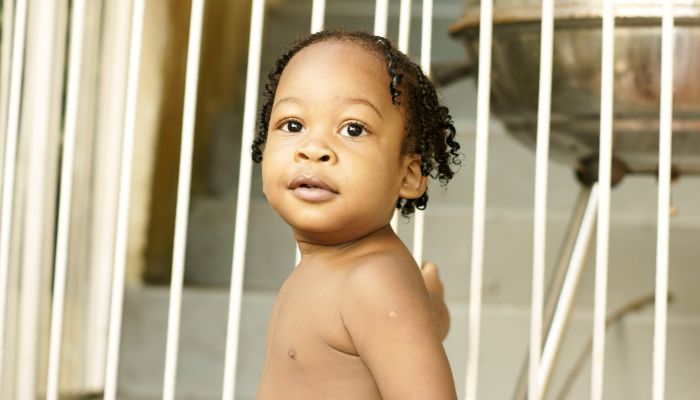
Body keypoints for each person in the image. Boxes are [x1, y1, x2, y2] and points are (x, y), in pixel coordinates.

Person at [252, 30, 461, 399]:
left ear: (409, 175)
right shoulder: (341, 272)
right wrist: (429, 306)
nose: (313, 149)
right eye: (293, 125)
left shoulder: (373, 283)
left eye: (352, 129)